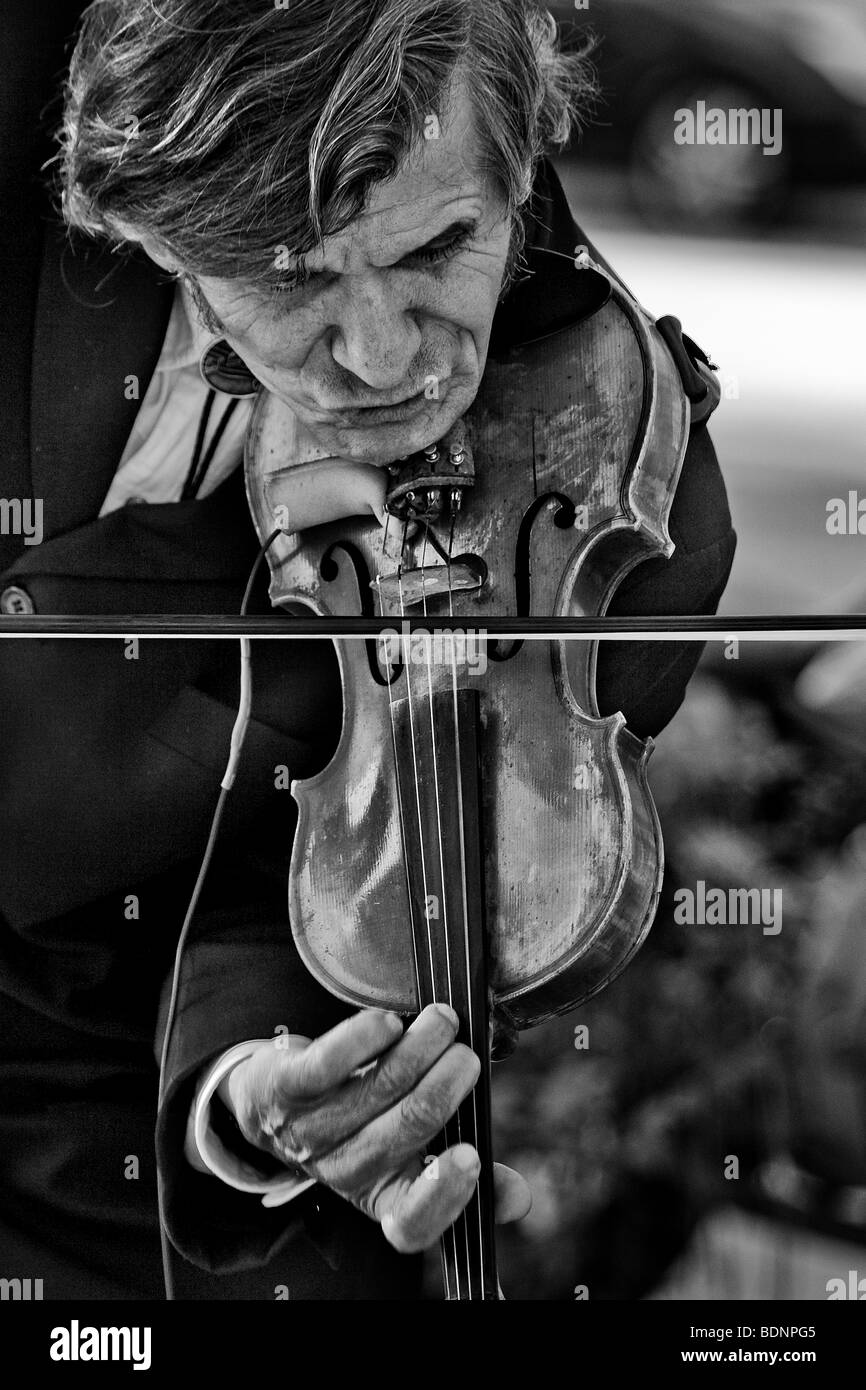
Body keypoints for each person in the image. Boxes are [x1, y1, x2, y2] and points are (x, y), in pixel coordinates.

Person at [0, 0, 735, 1299]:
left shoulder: (627, 523)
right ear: (142, 225)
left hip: (117, 1167)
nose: (383, 358)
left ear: (515, 166)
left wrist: (255, 1100)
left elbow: (296, 913)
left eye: (440, 246)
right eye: (287, 278)